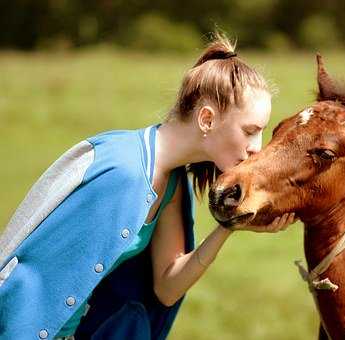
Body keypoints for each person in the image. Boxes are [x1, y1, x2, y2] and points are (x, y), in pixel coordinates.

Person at [0, 33, 295, 340]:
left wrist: (228, 225)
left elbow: (167, 287)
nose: (256, 148)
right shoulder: (122, 170)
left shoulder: (173, 184)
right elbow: (30, 276)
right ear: (206, 119)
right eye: (250, 131)